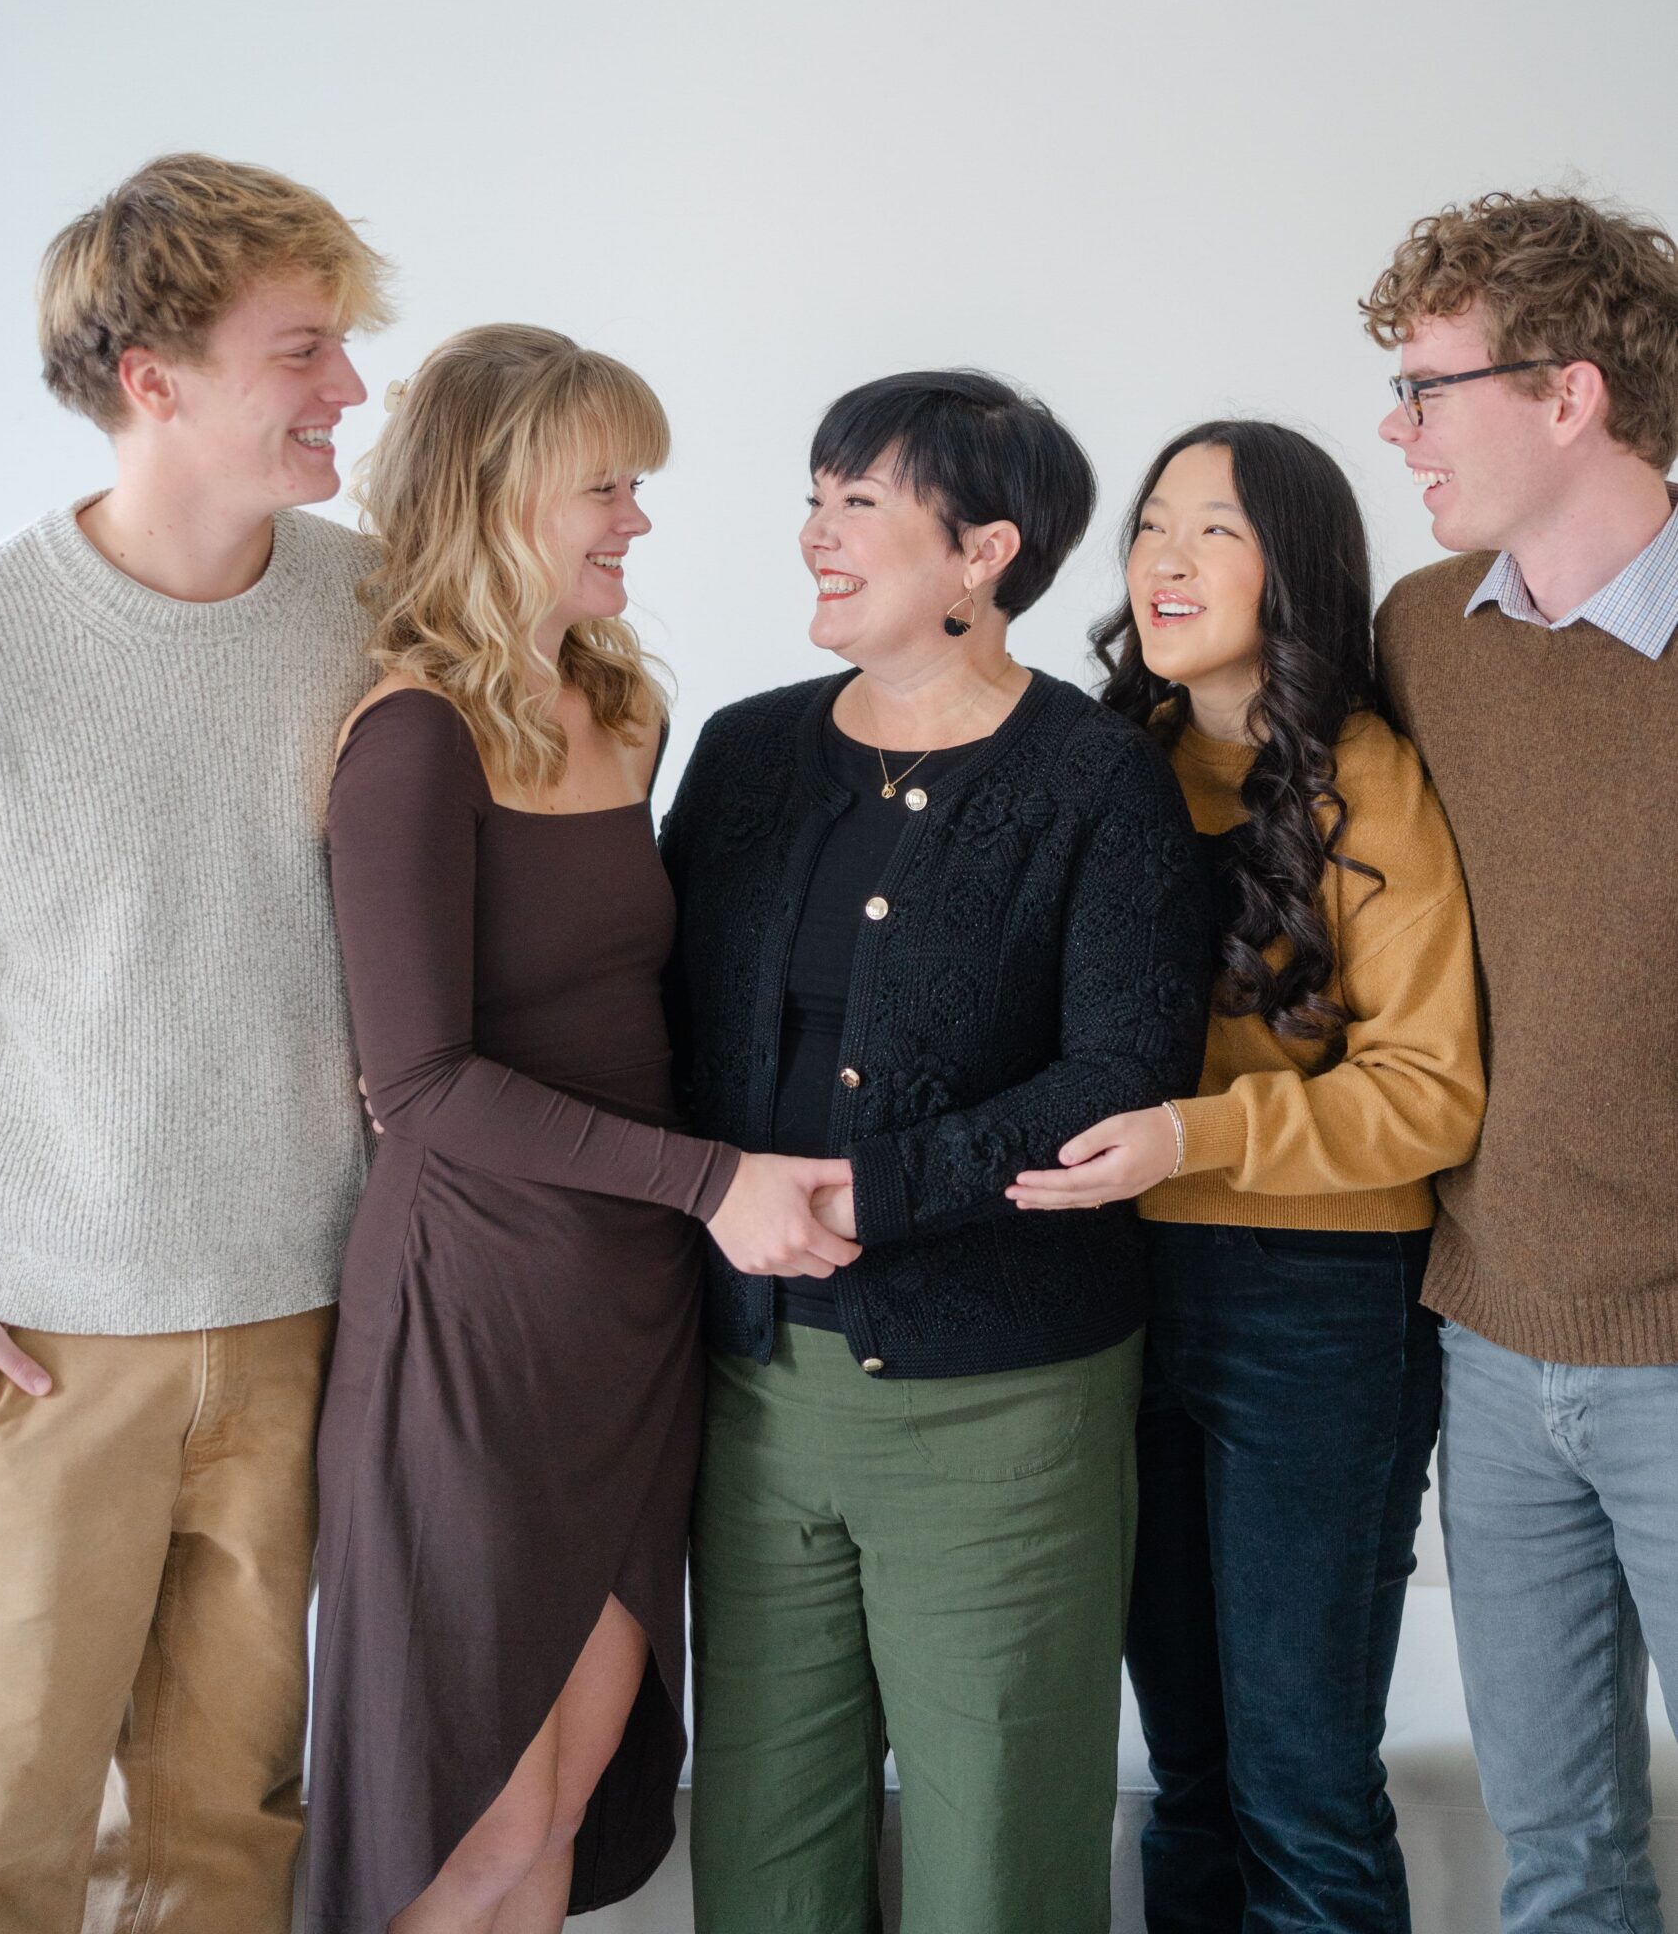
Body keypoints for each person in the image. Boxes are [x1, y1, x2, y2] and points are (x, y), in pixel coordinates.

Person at [307, 325, 850, 1934]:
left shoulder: (617, 708)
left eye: (638, 485)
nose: (637, 518)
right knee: (460, 1812)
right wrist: (715, 1182)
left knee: (568, 1790)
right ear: (492, 493)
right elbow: (419, 1083)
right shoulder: (413, 736)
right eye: (604, 486)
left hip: (636, 1310)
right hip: (477, 1317)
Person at [660, 367, 1214, 1934]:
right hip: (757, 1399)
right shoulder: (747, 750)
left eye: (859, 503)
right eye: (815, 496)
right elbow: (665, 1017)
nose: (814, 534)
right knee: (765, 1850)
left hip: (1004, 1412)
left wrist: (869, 1191)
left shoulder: (1096, 776)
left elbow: (1123, 1067)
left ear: (986, 551)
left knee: (1000, 1862)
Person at [0, 154, 392, 1933]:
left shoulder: (374, 609)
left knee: (234, 1823)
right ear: (153, 377)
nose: (351, 392)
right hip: (48, 1340)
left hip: (311, 1308)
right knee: (5, 1816)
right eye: (304, 352)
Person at [1010, 420, 1485, 1934]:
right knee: (1191, 1769)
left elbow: (1430, 1096)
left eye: (1214, 529)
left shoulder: (1371, 781)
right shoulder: (1101, 762)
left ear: (1296, 564)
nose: (1167, 559)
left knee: (1301, 1779)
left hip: (1321, 1309)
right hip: (1121, 1295)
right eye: (1153, 525)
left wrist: (1191, 1139)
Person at [1362, 189, 1678, 1934]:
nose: (1396, 432)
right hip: (1488, 1349)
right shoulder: (1425, 637)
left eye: (1428, 388)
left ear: (1570, 396)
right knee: (1558, 1856)